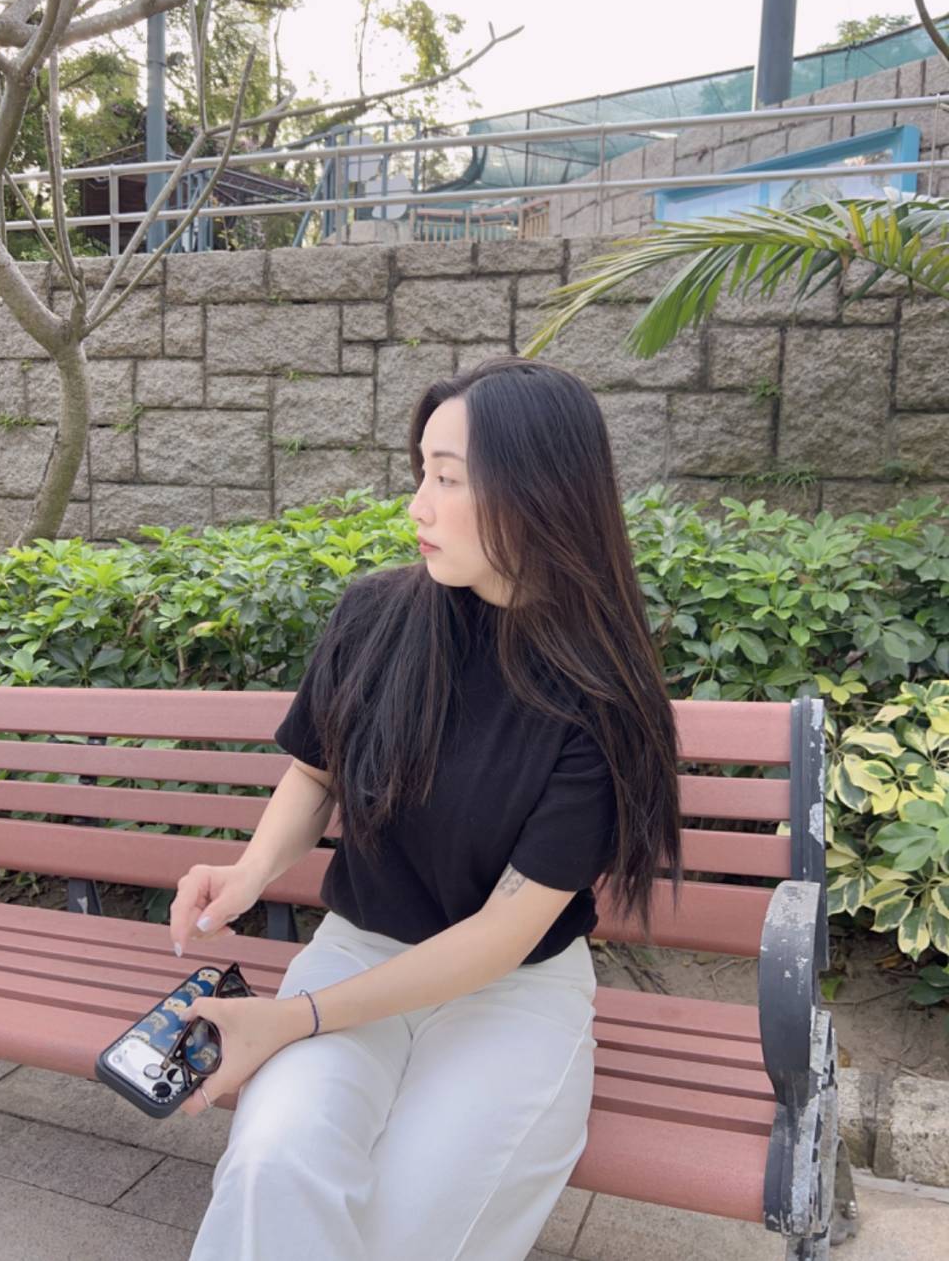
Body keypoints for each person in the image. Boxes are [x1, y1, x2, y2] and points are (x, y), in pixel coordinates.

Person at [169, 355, 683, 1261]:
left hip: (512, 992)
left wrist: (289, 1018)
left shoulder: (601, 700)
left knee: (405, 1224)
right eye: (421, 471)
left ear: (538, 492)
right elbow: (318, 773)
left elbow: (498, 939)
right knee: (273, 1166)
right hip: (356, 949)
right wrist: (249, 872)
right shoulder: (378, 615)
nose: (417, 504)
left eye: (447, 478)